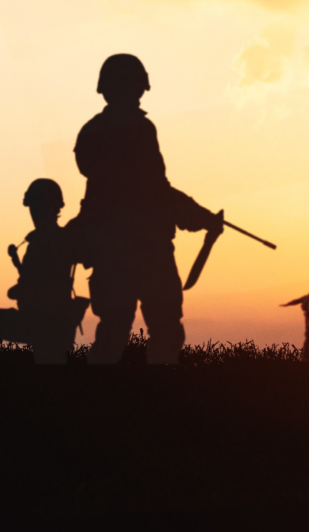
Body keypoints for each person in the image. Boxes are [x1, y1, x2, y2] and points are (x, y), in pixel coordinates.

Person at [74, 54, 223, 365]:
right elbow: (154, 189)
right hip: (146, 251)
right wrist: (198, 217)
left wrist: (197, 216)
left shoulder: (92, 132)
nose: (135, 94)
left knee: (115, 333)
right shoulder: (139, 130)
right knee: (160, 330)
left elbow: (148, 189)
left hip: (114, 252)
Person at [0, 178, 88, 364]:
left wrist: (19, 291)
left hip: (42, 323)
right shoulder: (55, 239)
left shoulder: (50, 241)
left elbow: (43, 285)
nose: (33, 212)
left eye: (36, 206)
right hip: (47, 323)